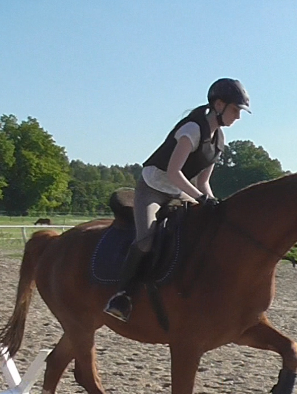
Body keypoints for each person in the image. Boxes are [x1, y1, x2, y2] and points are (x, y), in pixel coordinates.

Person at [103, 78, 251, 322]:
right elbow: (173, 172)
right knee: (146, 240)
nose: (237, 117)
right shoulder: (192, 129)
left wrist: (214, 204)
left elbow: (203, 182)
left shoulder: (219, 140)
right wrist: (201, 198)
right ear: (219, 104)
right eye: (235, 110)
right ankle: (122, 295)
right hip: (153, 188)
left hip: (178, 190)